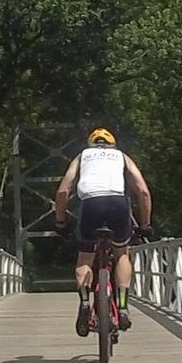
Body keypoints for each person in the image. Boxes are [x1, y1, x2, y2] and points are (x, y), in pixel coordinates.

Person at [52, 127, 154, 336]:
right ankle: (123, 306)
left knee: (85, 258)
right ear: (112, 145)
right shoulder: (122, 157)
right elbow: (143, 191)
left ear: (91, 144)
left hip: (91, 206)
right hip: (118, 205)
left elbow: (63, 191)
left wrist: (60, 221)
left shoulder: (83, 156)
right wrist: (145, 225)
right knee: (122, 254)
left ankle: (84, 301)